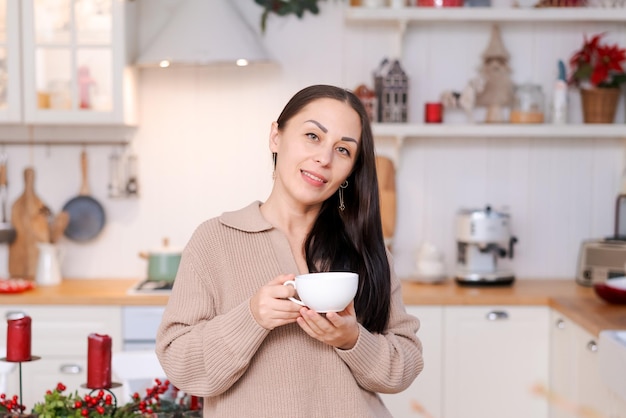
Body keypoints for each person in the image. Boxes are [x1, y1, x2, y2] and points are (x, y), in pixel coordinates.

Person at [156, 84, 424, 417]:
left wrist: (352, 339)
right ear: (276, 137)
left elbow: (406, 364)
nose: (324, 158)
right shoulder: (215, 240)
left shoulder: (366, 249)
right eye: (313, 136)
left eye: (343, 150)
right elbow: (182, 366)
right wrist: (252, 317)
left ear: (350, 172)